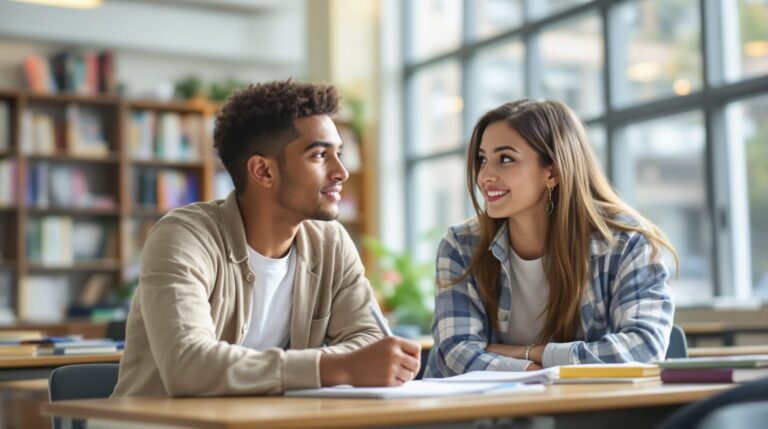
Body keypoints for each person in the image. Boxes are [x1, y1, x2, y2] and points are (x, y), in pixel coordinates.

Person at [113, 80, 420, 397]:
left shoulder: (331, 243)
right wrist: (336, 367)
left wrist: (348, 363)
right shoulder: (183, 238)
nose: (341, 171)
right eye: (319, 155)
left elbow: (369, 338)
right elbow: (187, 364)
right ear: (263, 171)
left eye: (338, 153)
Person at [425, 99, 677, 377]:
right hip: (479, 415)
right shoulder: (461, 245)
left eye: (505, 159)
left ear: (553, 172)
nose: (485, 175)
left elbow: (643, 348)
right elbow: (455, 353)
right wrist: (535, 370)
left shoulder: (625, 242)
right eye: (483, 159)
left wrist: (532, 354)